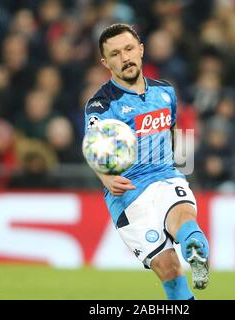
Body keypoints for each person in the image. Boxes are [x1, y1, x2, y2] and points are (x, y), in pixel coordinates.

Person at [83, 24, 210, 300]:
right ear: (105, 63)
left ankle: (196, 251)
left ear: (140, 50)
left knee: (184, 217)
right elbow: (93, 147)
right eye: (115, 54)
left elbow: (174, 130)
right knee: (170, 271)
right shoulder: (101, 105)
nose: (124, 58)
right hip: (128, 193)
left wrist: (181, 166)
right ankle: (194, 251)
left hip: (165, 176)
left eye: (129, 49)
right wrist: (106, 178)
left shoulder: (165, 92)